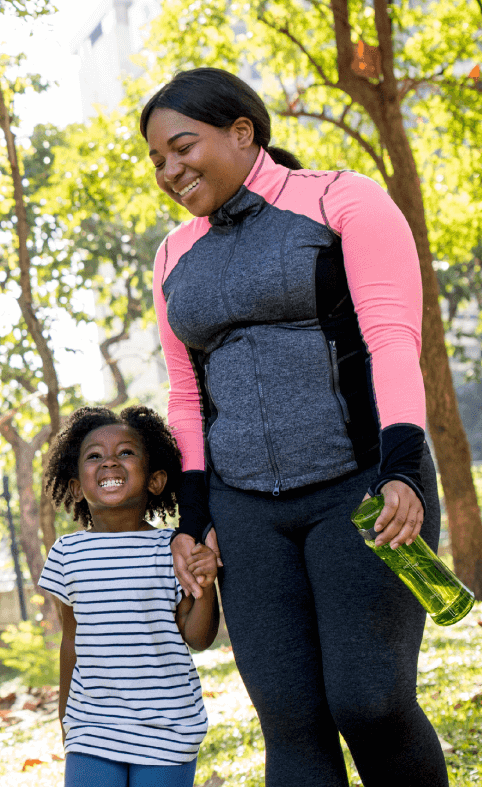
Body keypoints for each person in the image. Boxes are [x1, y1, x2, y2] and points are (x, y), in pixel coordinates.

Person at [141, 67, 449, 786]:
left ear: (242, 132)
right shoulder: (173, 256)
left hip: (364, 486)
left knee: (369, 700)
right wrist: (194, 518)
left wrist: (403, 465)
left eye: (183, 146)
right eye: (157, 159)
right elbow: (186, 397)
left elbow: (392, 338)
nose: (170, 168)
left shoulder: (341, 200)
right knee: (290, 720)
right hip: (246, 508)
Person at [38, 406, 220, 787]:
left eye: (125, 452)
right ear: (75, 486)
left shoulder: (172, 548)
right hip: (92, 729)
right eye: (94, 456)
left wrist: (205, 587)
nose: (109, 463)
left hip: (168, 730)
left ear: (155, 481)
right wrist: (65, 719)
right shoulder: (66, 554)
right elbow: (71, 640)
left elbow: (198, 638)